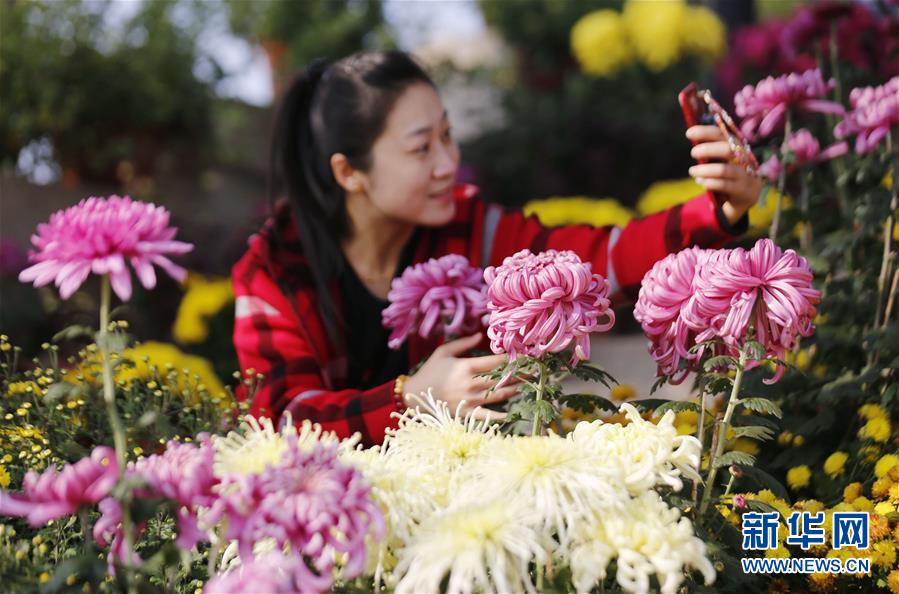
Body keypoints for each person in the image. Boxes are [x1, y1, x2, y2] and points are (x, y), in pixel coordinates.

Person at [232, 50, 763, 446]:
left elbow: (599, 260)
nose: (447, 162)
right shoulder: (274, 273)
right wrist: (408, 400)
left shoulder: (474, 232)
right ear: (350, 172)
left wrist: (719, 210)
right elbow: (275, 421)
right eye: (421, 148)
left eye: (448, 135)